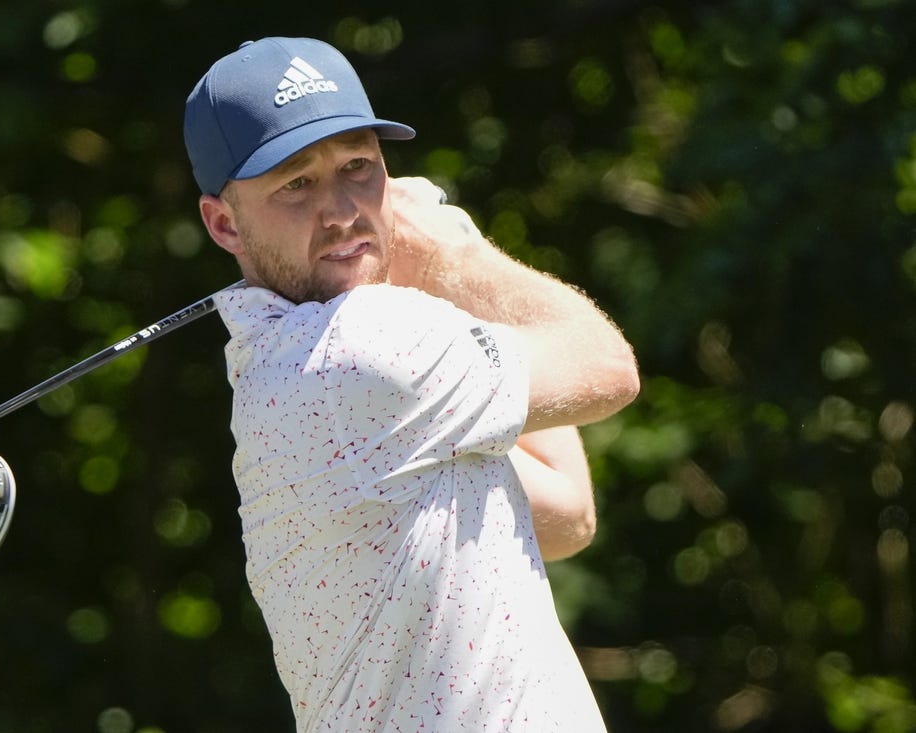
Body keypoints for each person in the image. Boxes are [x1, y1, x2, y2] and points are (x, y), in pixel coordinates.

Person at [183, 37, 639, 732]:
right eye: (296, 183)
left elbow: (568, 509)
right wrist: (455, 250)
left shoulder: (347, 383)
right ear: (223, 222)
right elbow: (607, 366)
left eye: (359, 167)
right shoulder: (358, 353)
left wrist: (431, 270)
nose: (341, 211)